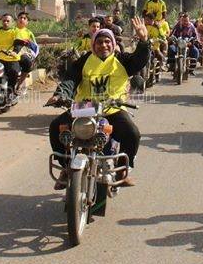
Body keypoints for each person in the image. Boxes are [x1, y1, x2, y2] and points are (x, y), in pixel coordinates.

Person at [46, 17, 150, 190]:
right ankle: (66, 167)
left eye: (107, 42)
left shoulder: (121, 59)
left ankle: (122, 171)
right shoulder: (84, 60)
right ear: (93, 45)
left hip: (112, 108)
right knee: (56, 126)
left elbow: (139, 60)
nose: (104, 45)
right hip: (85, 108)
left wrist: (144, 41)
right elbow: (70, 80)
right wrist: (60, 94)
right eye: (99, 42)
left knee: (132, 133)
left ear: (113, 43)